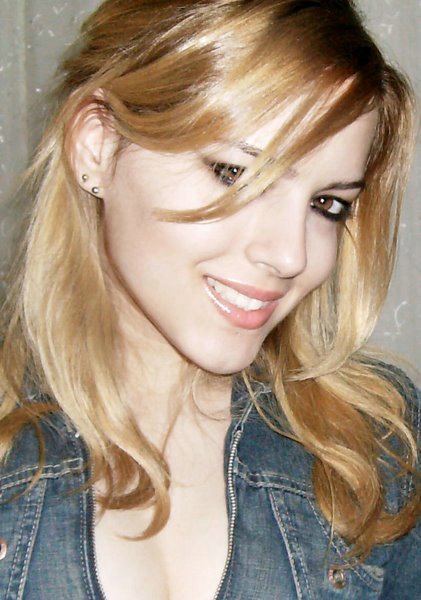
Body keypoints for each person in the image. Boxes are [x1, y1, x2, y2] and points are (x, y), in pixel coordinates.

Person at [0, 0, 419, 598]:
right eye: (235, 173)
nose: (290, 255)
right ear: (98, 145)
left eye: (328, 204)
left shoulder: (376, 448)